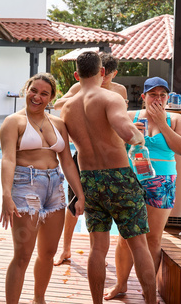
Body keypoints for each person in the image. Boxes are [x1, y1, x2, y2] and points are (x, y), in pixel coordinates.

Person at [60, 51, 156, 304]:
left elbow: (65, 151)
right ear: (102, 72)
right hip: (120, 178)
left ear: (76, 75)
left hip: (89, 180)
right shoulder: (110, 97)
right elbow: (127, 133)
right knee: (139, 246)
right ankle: (149, 300)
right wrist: (139, 138)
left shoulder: (67, 108)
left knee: (97, 249)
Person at [0, 73, 85, 304]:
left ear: (51, 98)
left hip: (54, 186)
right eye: (33, 90)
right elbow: (8, 159)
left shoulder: (58, 124)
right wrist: (6, 195)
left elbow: (67, 161)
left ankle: (39, 299)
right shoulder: (13, 122)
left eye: (44, 93)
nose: (37, 96)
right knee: (23, 255)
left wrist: (79, 194)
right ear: (26, 90)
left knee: (47, 253)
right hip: (26, 185)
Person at [104, 77, 181, 300]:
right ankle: (121, 284)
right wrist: (130, 135)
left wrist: (162, 123)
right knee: (125, 237)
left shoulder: (176, 118)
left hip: (162, 182)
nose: (158, 99)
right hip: (132, 179)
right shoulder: (130, 116)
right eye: (153, 94)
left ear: (168, 97)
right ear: (143, 97)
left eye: (163, 95)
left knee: (153, 238)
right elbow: (112, 146)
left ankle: (147, 288)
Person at [53, 52, 128, 266]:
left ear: (111, 73)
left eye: (106, 76)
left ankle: (98, 253)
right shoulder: (80, 88)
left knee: (108, 209)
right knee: (74, 204)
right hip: (84, 158)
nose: (101, 79)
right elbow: (59, 104)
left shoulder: (119, 91)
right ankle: (66, 248)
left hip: (113, 160)